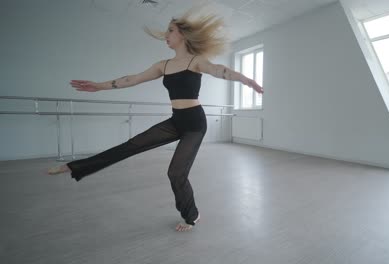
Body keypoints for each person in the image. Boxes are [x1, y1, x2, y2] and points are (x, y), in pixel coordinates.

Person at [47, 8, 264, 232]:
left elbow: (220, 70)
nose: (166, 36)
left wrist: (247, 81)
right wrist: (99, 86)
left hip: (195, 124)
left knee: (175, 173)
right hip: (176, 120)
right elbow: (132, 79)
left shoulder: (196, 61)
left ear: (183, 35)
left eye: (170, 31)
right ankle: (74, 167)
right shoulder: (164, 65)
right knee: (131, 146)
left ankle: (192, 215)